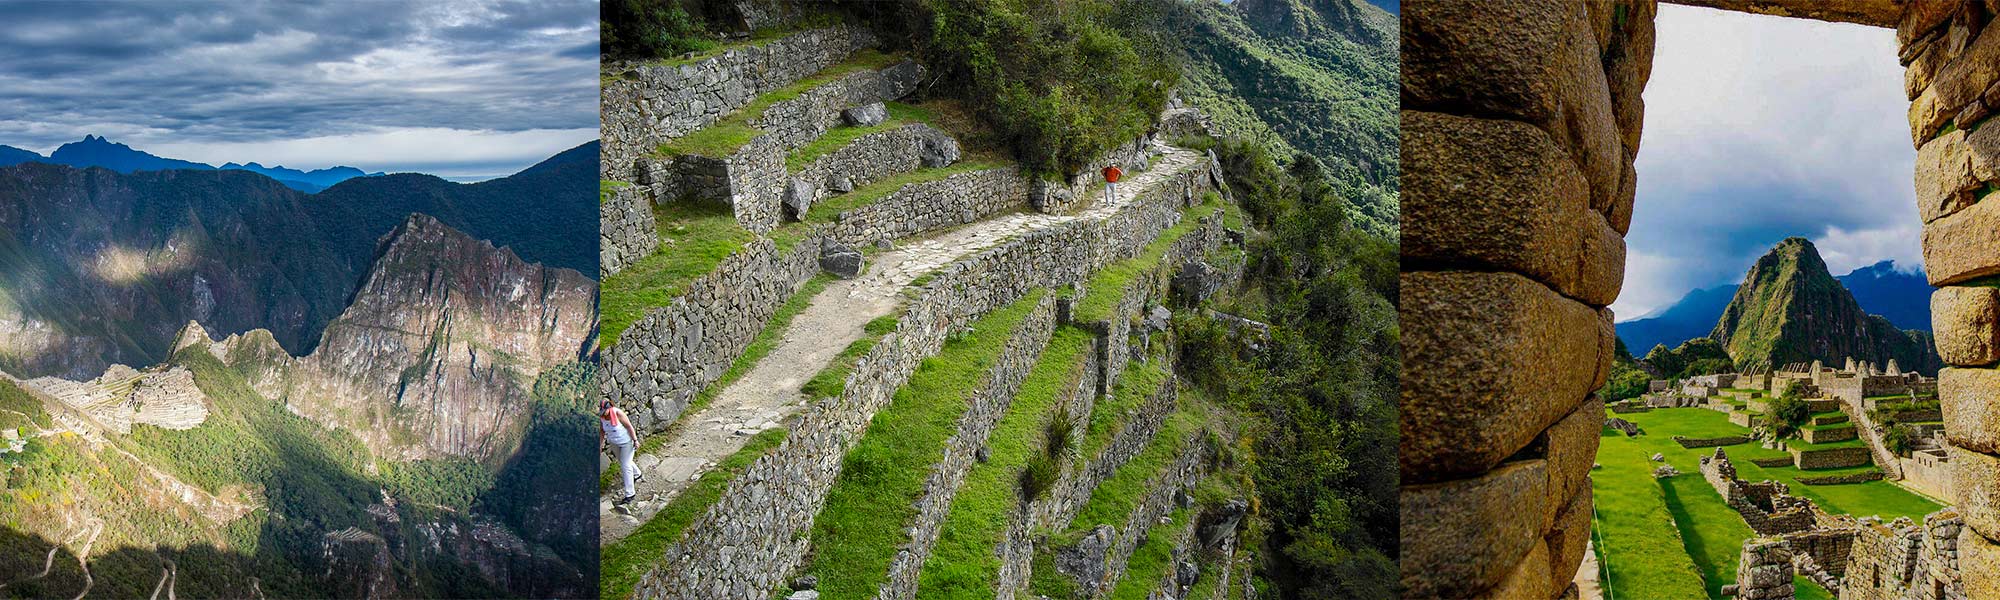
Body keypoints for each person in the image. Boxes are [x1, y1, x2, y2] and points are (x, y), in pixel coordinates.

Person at [601, 399, 641, 505]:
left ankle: (630, 494)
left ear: (609, 408)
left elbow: (629, 426)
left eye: (604, 411)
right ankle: (637, 474)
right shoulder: (602, 418)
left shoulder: (618, 413)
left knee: (625, 465)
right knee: (623, 461)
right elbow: (602, 432)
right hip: (614, 443)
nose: (602, 414)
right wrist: (599, 446)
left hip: (627, 442)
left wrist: (635, 440)